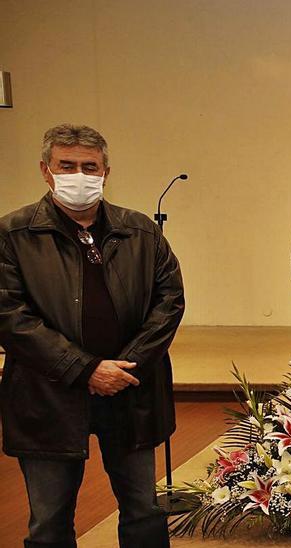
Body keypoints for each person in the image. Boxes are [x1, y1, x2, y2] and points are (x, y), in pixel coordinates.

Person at [0, 124, 184, 547]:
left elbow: (169, 300)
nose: (79, 175)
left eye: (90, 166)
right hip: (48, 394)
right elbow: (10, 315)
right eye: (67, 165)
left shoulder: (141, 231)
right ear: (46, 171)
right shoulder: (13, 234)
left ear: (105, 171)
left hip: (130, 388)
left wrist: (125, 367)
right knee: (49, 521)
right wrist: (85, 370)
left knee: (143, 510)